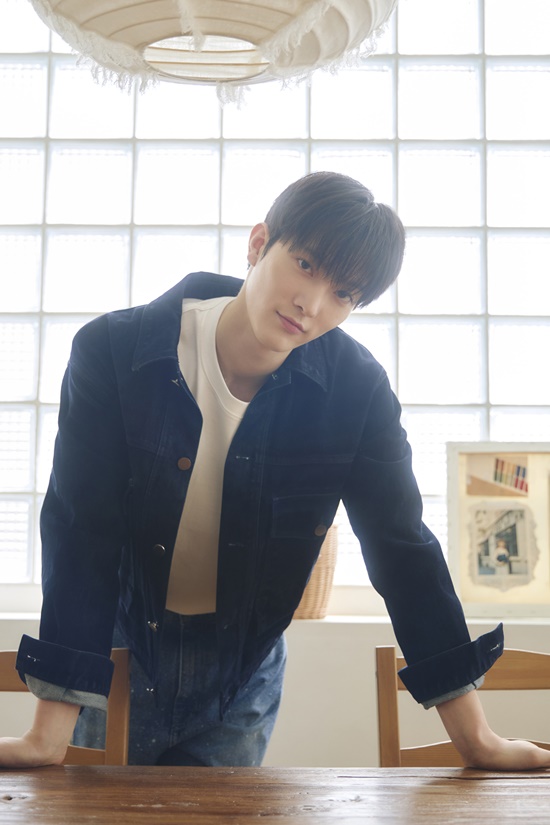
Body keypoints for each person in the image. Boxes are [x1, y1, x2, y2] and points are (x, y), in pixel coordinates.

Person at [1, 172, 549, 771]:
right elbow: (82, 531)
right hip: (118, 656)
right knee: (92, 814)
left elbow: (402, 549)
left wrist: (478, 741)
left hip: (243, 675)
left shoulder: (356, 390)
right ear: (259, 243)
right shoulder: (113, 351)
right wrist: (47, 735)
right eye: (305, 264)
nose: (311, 304)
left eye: (343, 294)